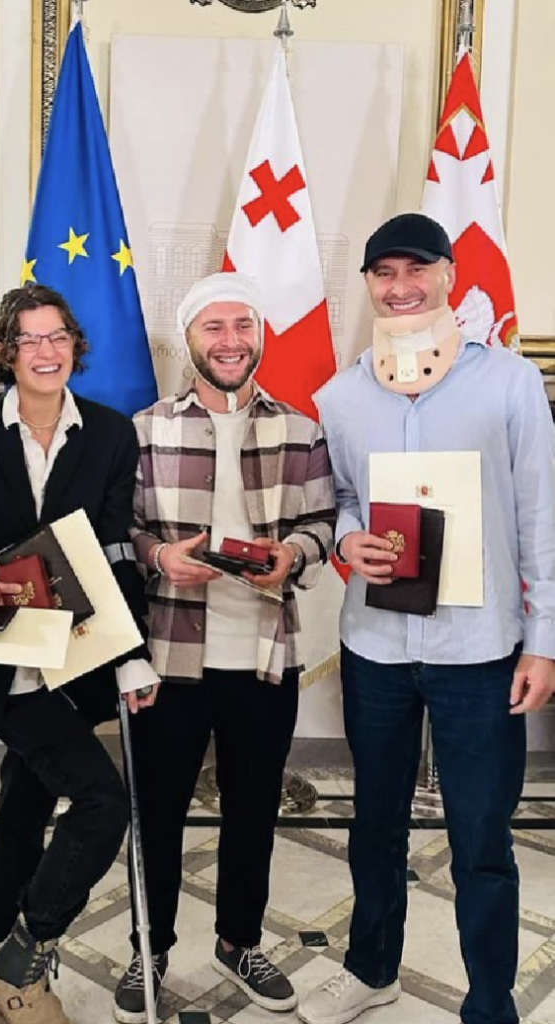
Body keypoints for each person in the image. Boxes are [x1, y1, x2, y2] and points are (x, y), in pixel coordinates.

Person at [298, 213, 555, 1024]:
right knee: (374, 822)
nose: (401, 287)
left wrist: (543, 643)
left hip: (476, 652)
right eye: (384, 273)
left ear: (448, 274)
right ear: (369, 284)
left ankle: (488, 1001)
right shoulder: (340, 396)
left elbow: (540, 516)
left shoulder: (508, 383)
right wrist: (347, 543)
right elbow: (338, 500)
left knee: (481, 836)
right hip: (374, 644)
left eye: (417, 270)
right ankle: (371, 967)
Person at [0, 283, 160, 1024]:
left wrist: (130, 656)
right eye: (29, 339)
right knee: (101, 802)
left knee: (20, 818)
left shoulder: (110, 433)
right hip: (1, 664)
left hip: (79, 659)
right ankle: (23, 953)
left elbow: (119, 549)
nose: (46, 351)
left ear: (74, 345)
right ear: (5, 352)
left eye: (57, 336)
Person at [115, 272, 337, 1023]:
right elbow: (127, 528)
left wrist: (296, 557)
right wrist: (156, 559)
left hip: (265, 656)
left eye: (242, 325)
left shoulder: (301, 429)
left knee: (252, 811)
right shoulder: (144, 430)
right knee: (157, 814)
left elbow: (321, 524)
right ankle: (148, 949)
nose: (230, 341)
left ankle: (239, 940)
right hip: (170, 657)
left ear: (260, 335)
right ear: (189, 341)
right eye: (214, 328)